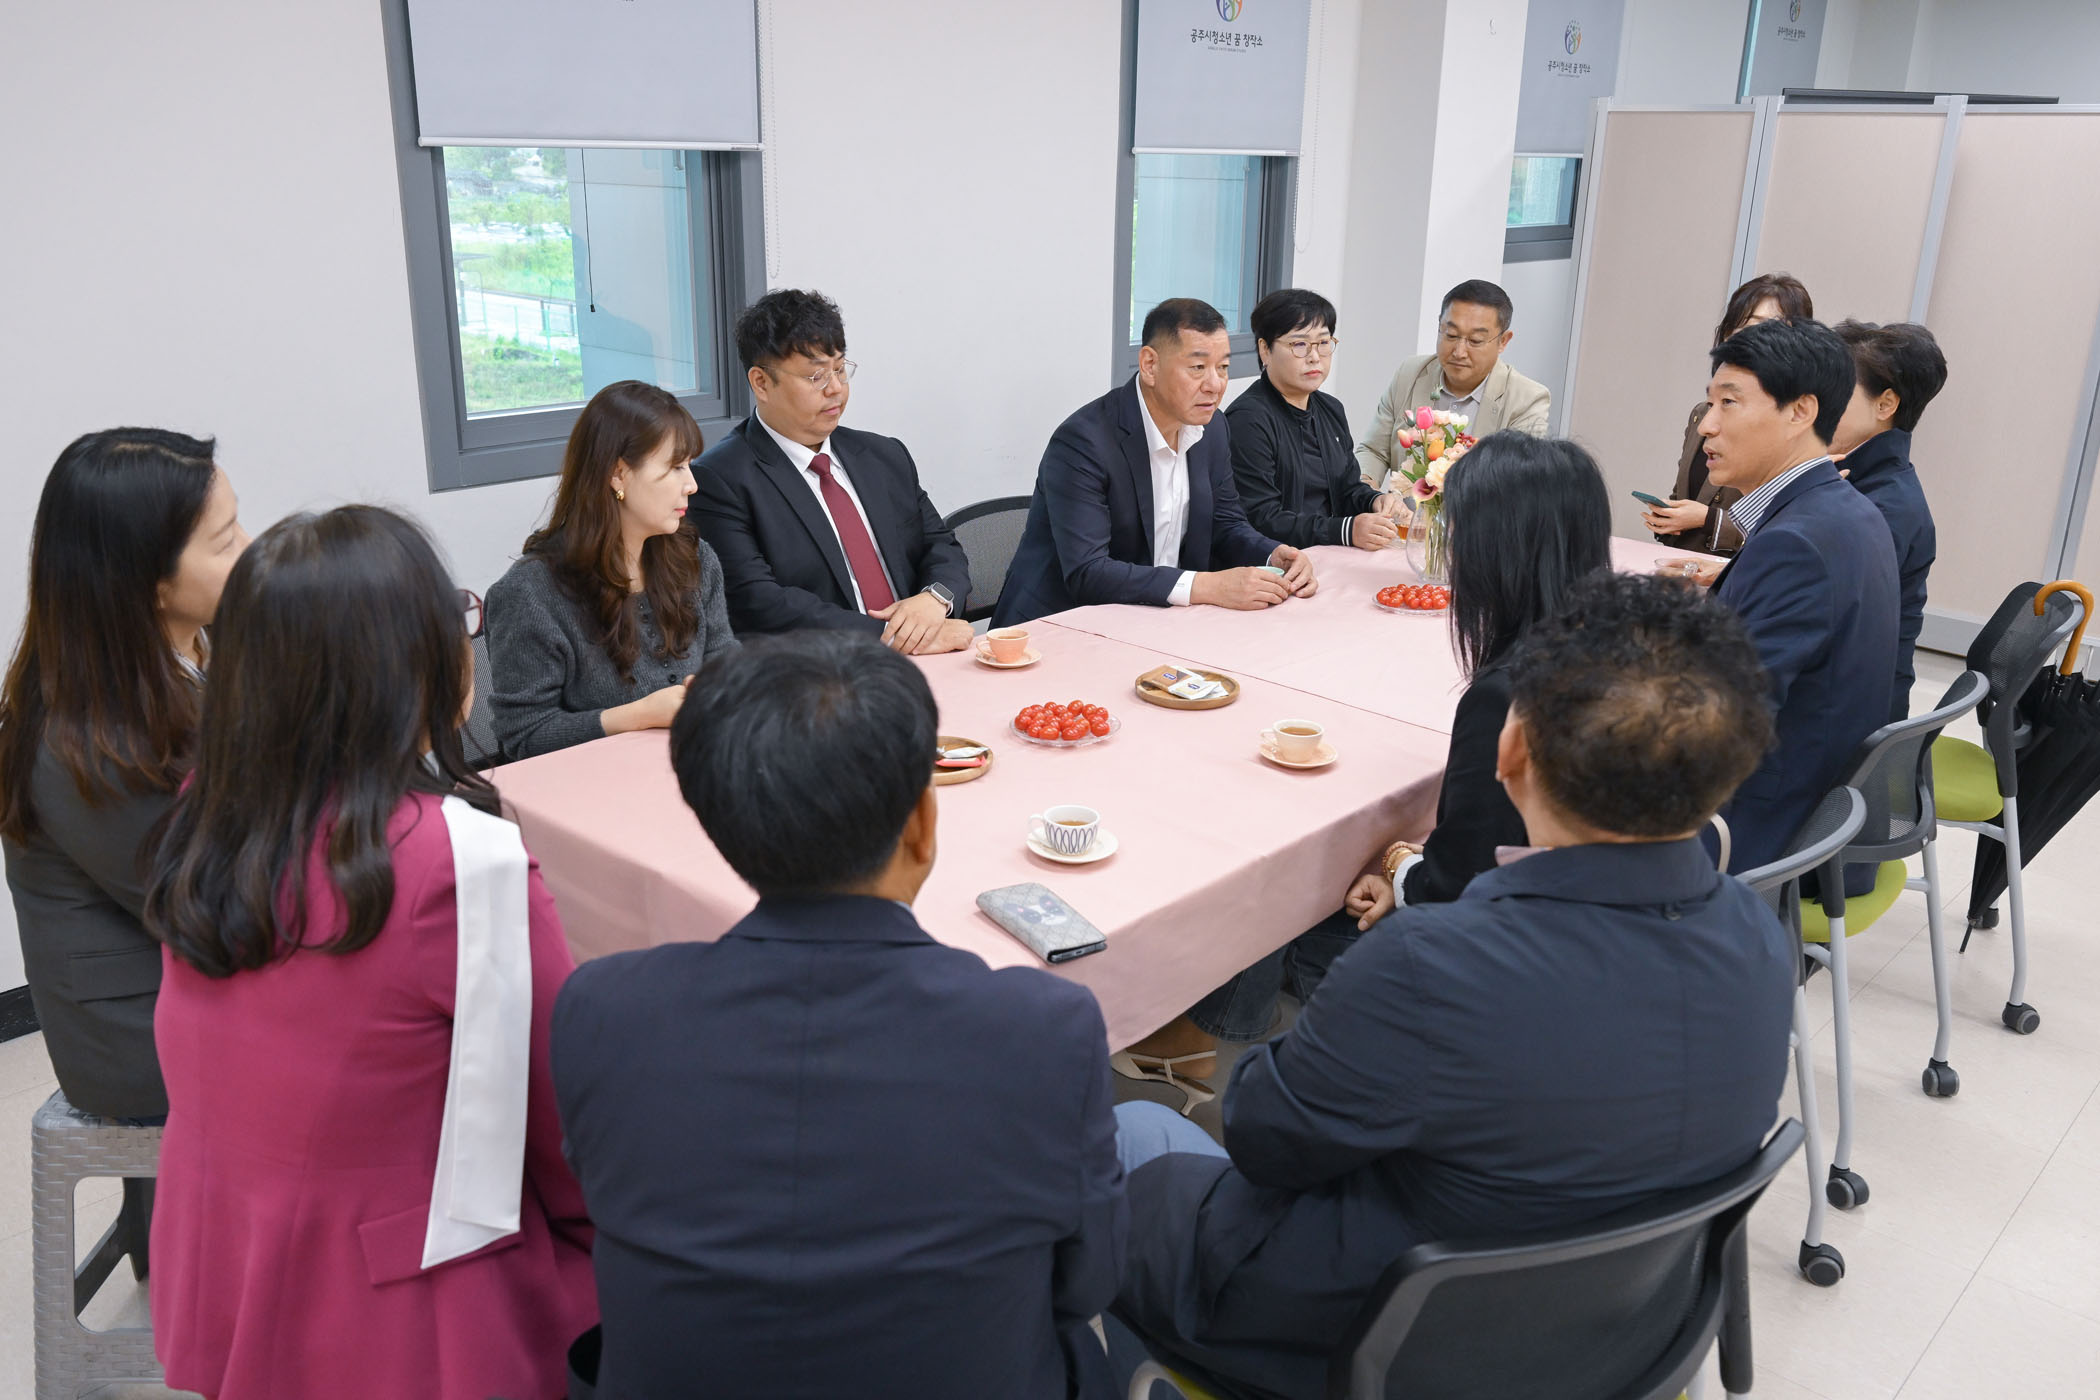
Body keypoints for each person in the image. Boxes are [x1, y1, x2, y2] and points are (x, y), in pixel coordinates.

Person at [1110, 571, 1797, 1400]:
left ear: (1512, 753)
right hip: (1618, 1338)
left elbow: (1261, 1137)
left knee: (1130, 1131)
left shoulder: (1433, 965)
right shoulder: (1760, 940)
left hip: (1372, 1348)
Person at [551, 631, 1123, 1400]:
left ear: (719, 823)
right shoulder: (1044, 1031)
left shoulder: (602, 1012)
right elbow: (1086, 1284)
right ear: (922, 823)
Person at [143, 506, 596, 1400]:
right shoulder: (449, 861)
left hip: (233, 1251)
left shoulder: (205, 810)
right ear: (412, 665)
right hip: (402, 1296)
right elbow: (564, 1122)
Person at [1131, 433, 1615, 1102]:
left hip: (1486, 978)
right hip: (1576, 945)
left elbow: (1454, 891)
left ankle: (1235, 1040)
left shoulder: (1506, 699)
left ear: (1500, 550)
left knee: (1300, 868)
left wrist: (1398, 866)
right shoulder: (1607, 653)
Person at [1, 429, 248, 1124]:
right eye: (225, 541)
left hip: (196, 973)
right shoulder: (85, 739)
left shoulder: (191, 651)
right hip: (139, 1037)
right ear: (150, 582)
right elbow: (213, 907)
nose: (251, 549)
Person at [1703, 317, 1899, 886]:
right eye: (1709, 403)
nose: (1708, 425)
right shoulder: (1849, 510)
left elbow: (1722, 724)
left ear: (1800, 412)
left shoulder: (1795, 543)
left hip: (1762, 835)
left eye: (1729, 403)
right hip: (1819, 815)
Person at [994, 298, 1316, 627]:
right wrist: (1207, 586)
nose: (1215, 385)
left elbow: (1226, 524)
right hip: (1056, 626)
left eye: (1222, 367)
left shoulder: (1213, 428)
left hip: (1155, 621)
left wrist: (1272, 553)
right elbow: (1088, 572)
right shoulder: (1084, 442)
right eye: (1198, 367)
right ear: (1150, 365)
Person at [691, 289, 975, 651]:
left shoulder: (884, 455)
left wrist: (935, 599)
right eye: (816, 376)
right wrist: (894, 639)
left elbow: (941, 545)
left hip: (928, 655)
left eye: (840, 369)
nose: (836, 389)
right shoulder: (719, 479)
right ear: (761, 382)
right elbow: (759, 603)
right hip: (822, 671)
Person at [486, 380, 738, 760]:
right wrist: (636, 716)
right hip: (594, 785)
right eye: (675, 467)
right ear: (618, 473)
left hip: (698, 766)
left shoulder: (695, 559)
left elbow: (725, 663)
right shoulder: (530, 593)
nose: (691, 484)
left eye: (688, 466)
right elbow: (524, 739)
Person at [1644, 273, 1815, 555]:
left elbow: (1791, 528)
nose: (1749, 340)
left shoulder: (1799, 427)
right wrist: (1669, 517)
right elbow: (1684, 493)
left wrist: (1708, 519)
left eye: (1765, 328)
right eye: (1739, 328)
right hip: (1684, 566)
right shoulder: (1702, 414)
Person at [1226, 287, 1409, 550]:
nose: (1314, 357)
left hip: (1329, 553)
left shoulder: (1330, 409)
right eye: (1299, 344)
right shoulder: (1248, 420)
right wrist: (1345, 530)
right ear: (1265, 350)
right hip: (1276, 562)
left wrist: (1374, 501)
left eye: (1323, 343)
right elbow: (1261, 518)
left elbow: (1347, 488)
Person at [1832, 319, 1946, 722]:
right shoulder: (1865, 479)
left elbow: (1818, 619)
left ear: (1885, 405)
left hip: (1852, 716)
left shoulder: (1882, 508)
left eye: (1836, 391)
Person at [1354, 280, 1550, 491]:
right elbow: (1373, 451)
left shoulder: (1528, 399)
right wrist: (1365, 490)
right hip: (1403, 512)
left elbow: (1517, 483)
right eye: (1451, 335)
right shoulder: (1410, 374)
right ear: (1439, 326)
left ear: (1503, 341)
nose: (1459, 352)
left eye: (1475, 340)